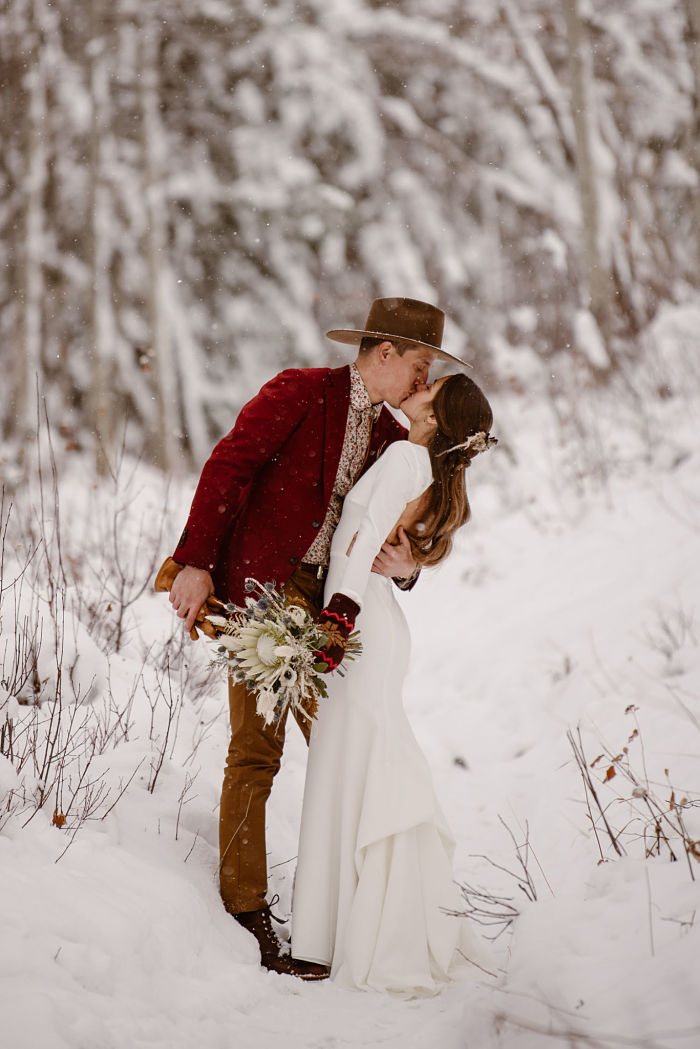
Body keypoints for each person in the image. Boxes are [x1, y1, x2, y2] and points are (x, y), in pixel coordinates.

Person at [167, 297, 469, 980]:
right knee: (255, 753)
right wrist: (195, 560)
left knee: (344, 749)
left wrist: (412, 569)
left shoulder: (396, 439)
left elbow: (397, 531)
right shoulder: (300, 392)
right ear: (384, 353)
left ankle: (356, 914)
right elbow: (229, 465)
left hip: (336, 612)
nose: (423, 382)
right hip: (263, 593)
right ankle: (246, 912)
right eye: (421, 365)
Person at [291, 371, 495, 994]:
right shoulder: (420, 463)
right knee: (352, 764)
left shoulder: (408, 458)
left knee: (348, 766)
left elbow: (357, 536)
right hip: (374, 620)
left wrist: (337, 615)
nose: (419, 385)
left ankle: (337, 931)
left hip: (363, 625)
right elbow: (379, 540)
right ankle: (335, 926)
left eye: (430, 390)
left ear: (434, 418)